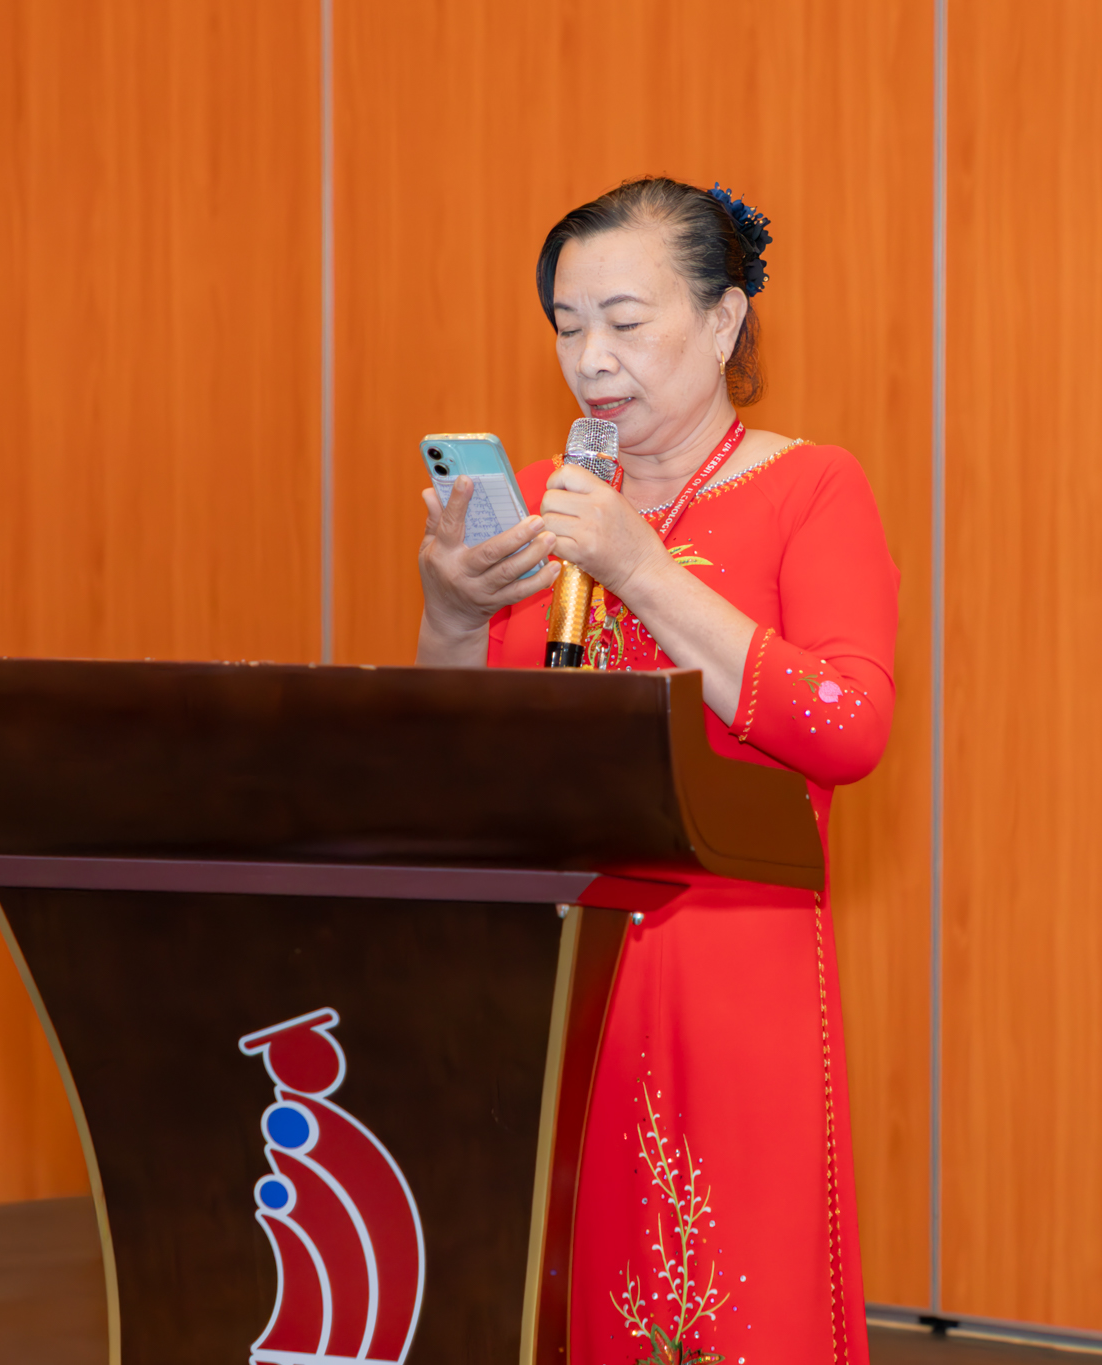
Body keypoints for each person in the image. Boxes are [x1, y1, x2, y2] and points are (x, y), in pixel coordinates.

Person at [415, 176, 897, 1365]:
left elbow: (846, 725)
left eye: (625, 323)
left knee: (727, 1293)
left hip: (732, 961)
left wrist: (638, 568)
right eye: (567, 326)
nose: (592, 360)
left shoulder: (809, 487)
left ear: (723, 321)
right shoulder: (539, 503)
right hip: (554, 972)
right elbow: (449, 763)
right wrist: (449, 614)